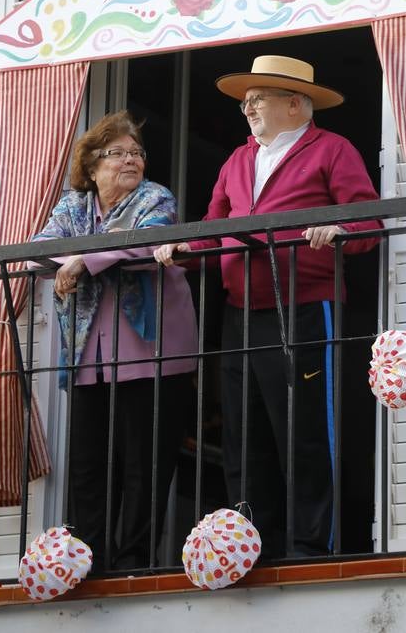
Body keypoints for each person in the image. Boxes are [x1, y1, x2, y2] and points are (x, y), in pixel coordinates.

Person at [154, 55, 382, 560]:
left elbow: (369, 225)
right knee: (243, 437)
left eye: (258, 98)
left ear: (295, 103)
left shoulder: (331, 149)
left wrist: (340, 232)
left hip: (306, 306)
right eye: (245, 101)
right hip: (241, 311)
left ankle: (312, 549)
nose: (247, 107)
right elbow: (213, 227)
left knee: (305, 436)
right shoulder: (236, 160)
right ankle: (250, 549)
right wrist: (187, 252)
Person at [32, 110, 197, 573]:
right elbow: (38, 249)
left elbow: (150, 240)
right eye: (118, 153)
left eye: (137, 152)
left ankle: (135, 560)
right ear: (91, 165)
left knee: (143, 464)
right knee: (88, 464)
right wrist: (78, 255)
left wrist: (84, 257)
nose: (131, 160)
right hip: (89, 357)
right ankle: (88, 559)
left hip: (154, 355)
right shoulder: (73, 207)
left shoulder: (155, 197)